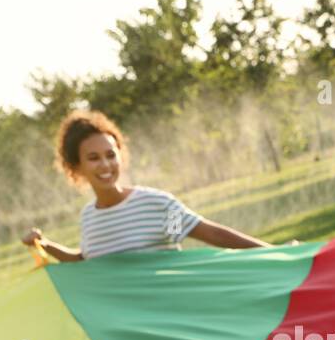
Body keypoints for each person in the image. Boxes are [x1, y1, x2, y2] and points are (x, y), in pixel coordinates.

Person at [20, 110, 271, 260]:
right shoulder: (89, 218)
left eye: (110, 154)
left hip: (174, 315)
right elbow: (87, 260)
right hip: (128, 333)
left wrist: (274, 253)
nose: (106, 165)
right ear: (76, 167)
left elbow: (209, 233)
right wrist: (45, 246)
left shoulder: (157, 205)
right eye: (93, 158)